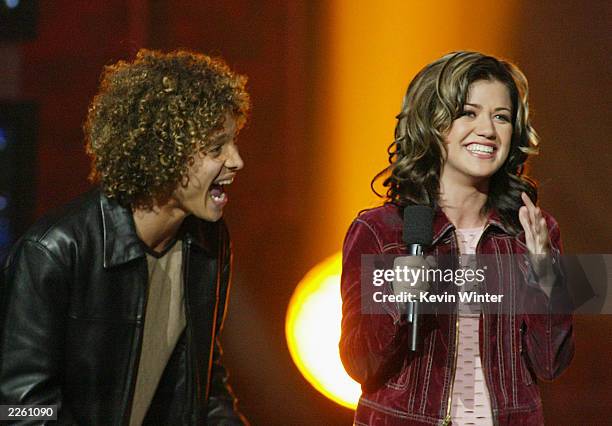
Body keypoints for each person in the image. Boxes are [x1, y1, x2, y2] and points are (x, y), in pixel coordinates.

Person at [0, 49, 250, 425]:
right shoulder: (53, 252)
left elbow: (205, 390)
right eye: (216, 148)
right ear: (165, 152)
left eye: (233, 142)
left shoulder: (208, 243)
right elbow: (20, 407)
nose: (236, 161)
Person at [340, 51, 574, 425]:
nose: (487, 129)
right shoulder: (382, 231)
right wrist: (396, 300)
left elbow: (550, 364)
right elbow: (359, 363)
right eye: (468, 112)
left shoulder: (531, 231)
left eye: (501, 117)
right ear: (431, 122)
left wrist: (547, 280)